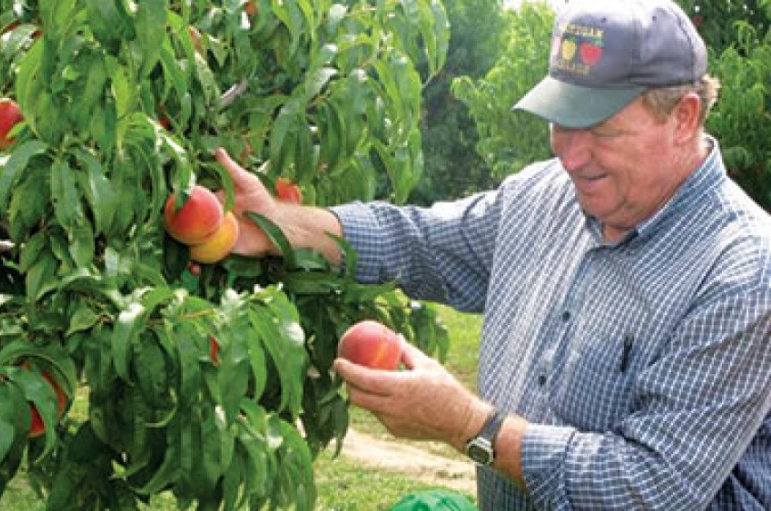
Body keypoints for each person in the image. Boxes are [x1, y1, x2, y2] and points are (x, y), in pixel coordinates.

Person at [215, 0, 771, 508]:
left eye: (599, 129)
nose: (571, 156)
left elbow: (650, 488)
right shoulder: (543, 196)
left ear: (684, 117)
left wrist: (468, 425)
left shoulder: (742, 272)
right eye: (562, 122)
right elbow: (421, 242)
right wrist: (283, 226)